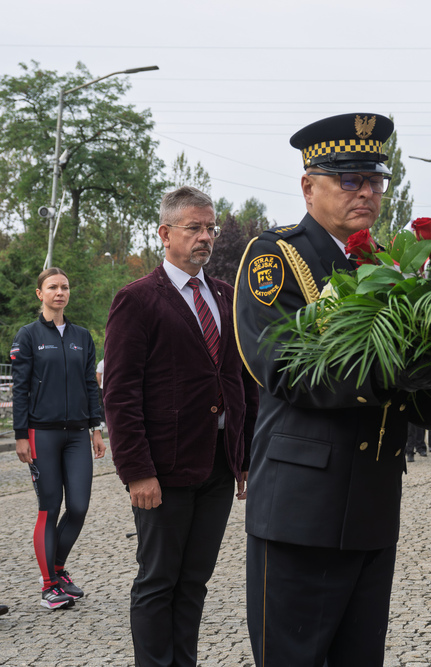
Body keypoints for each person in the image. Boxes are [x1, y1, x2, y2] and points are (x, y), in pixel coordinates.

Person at [235, 112, 431, 667]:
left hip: (373, 503)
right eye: (349, 180)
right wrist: (390, 374)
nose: (367, 192)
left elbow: (412, 390)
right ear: (308, 186)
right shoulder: (276, 257)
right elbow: (284, 367)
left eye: (376, 180)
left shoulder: (392, 265)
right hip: (302, 508)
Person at [104, 186, 259, 667]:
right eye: (194, 227)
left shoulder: (225, 296)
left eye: (211, 227)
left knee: (194, 580)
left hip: (217, 465)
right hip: (163, 470)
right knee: (158, 581)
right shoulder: (137, 299)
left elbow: (242, 382)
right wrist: (137, 471)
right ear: (165, 233)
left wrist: (245, 458)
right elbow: (120, 392)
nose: (206, 237)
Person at [10, 267, 105, 610]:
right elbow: (20, 389)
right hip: (42, 433)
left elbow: (90, 386)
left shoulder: (82, 336)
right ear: (40, 294)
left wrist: (96, 427)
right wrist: (21, 435)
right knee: (50, 508)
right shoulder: (28, 336)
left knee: (78, 506)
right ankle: (48, 585)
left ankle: (59, 569)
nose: (59, 292)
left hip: (78, 433)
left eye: (64, 287)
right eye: (52, 287)